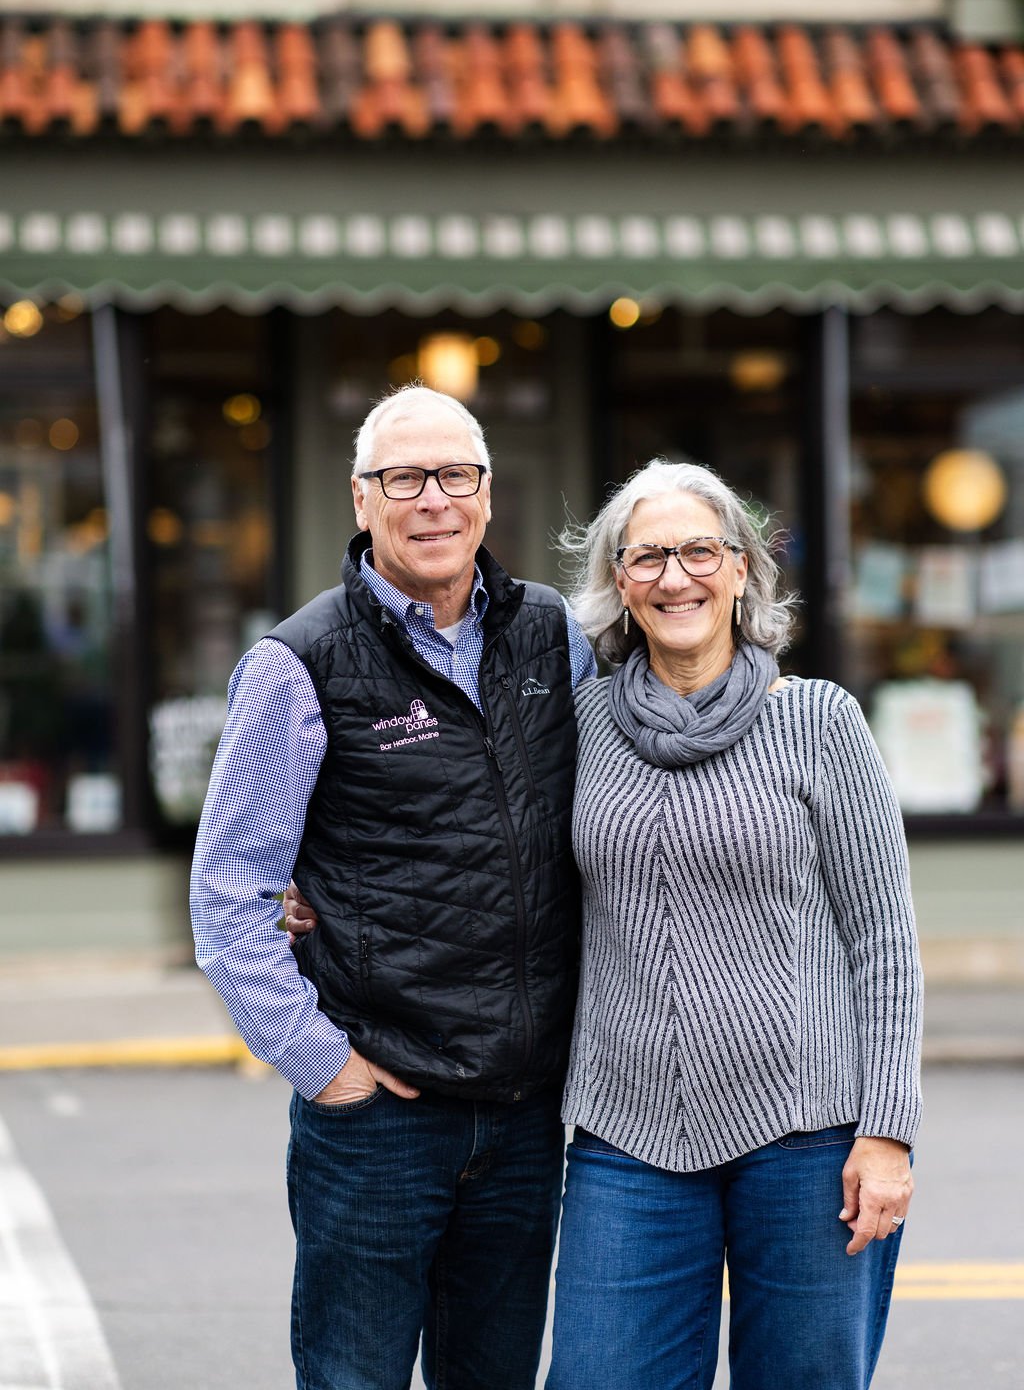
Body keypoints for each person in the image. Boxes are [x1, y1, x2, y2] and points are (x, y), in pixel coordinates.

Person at [190, 383, 595, 1390]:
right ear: (361, 499)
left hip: (522, 1114)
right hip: (380, 1121)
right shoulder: (300, 662)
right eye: (402, 478)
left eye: (454, 475)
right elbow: (230, 896)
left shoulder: (556, 637)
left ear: (488, 495)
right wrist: (324, 1067)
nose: (433, 501)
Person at [543, 459, 923, 1390]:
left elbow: (885, 943)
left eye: (700, 551)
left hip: (809, 1138)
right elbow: (488, 858)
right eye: (647, 558)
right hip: (625, 1136)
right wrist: (322, 894)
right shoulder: (578, 723)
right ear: (619, 585)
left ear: (743, 569)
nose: (676, 577)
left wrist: (888, 1132)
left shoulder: (819, 722)